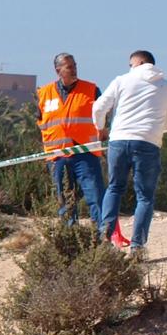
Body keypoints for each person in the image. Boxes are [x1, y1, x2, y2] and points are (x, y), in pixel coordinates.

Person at [93, 51, 167, 251]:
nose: (129, 68)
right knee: (145, 197)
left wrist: (101, 128)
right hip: (148, 143)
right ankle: (137, 246)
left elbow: (98, 108)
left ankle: (104, 239)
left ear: (138, 63)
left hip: (119, 140)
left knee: (114, 188)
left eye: (130, 64)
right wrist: (157, 129)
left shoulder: (122, 81)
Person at [36, 54, 104, 228]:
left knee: (95, 197)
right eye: (69, 67)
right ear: (58, 70)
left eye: (74, 65)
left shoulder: (91, 89)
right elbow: (40, 121)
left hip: (85, 152)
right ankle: (70, 236)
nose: (74, 69)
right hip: (57, 156)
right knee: (64, 201)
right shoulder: (44, 93)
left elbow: (103, 116)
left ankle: (102, 236)